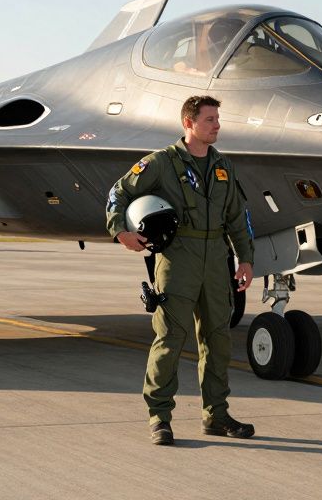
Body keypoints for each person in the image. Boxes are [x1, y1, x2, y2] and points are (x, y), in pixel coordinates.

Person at [106, 95, 256, 446]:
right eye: (209, 120)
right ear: (188, 124)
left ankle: (216, 416)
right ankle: (159, 418)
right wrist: (121, 232)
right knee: (170, 338)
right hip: (177, 260)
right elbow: (119, 192)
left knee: (218, 339)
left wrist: (245, 259)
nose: (217, 125)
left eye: (218, 118)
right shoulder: (161, 163)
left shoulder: (223, 166)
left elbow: (237, 215)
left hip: (216, 261)